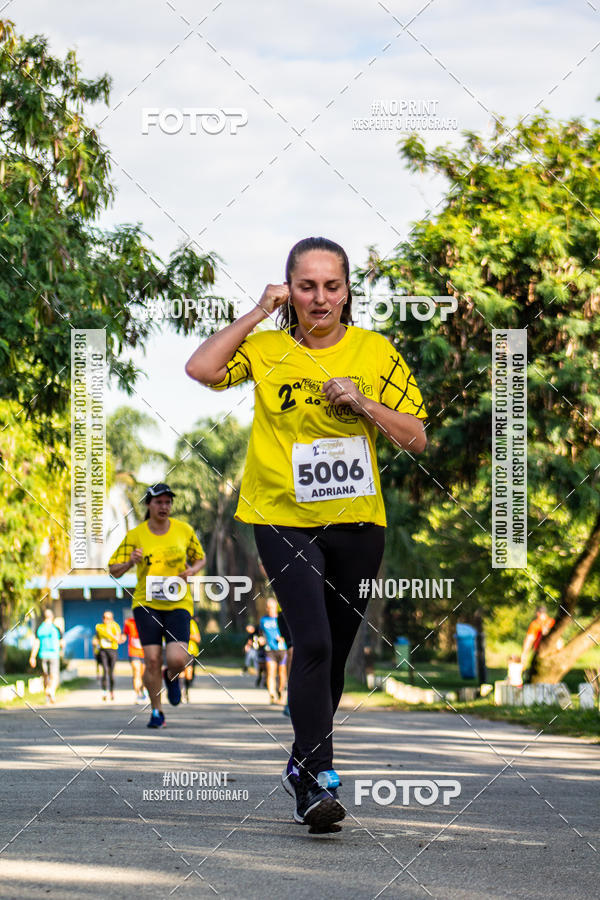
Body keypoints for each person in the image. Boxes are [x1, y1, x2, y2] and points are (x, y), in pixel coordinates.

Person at [185, 236, 427, 831]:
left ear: (348, 292)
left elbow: (416, 437)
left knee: (334, 655)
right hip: (280, 515)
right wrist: (257, 313)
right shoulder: (265, 349)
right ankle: (319, 782)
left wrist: (364, 404)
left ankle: (301, 762)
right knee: (312, 641)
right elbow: (202, 368)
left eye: (332, 286)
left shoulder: (374, 351)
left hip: (357, 521)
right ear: (287, 290)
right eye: (306, 286)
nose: (319, 298)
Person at [108, 483, 205, 728]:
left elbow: (200, 557)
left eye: (168, 502)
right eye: (159, 502)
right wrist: (130, 562)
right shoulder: (136, 535)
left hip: (178, 602)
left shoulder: (184, 531)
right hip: (146, 603)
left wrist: (192, 569)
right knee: (150, 659)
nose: (164, 506)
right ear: (149, 505)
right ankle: (156, 711)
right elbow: (113, 570)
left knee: (177, 658)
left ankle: (170, 676)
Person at [29, 609, 64, 704]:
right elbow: (62, 643)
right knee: (55, 676)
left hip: (42, 655)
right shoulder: (56, 628)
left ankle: (47, 696)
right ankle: (51, 691)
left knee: (45, 676)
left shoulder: (40, 628)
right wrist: (61, 649)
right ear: (52, 617)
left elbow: (36, 643)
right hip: (54, 655)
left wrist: (32, 657)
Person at [259, 597, 288, 704]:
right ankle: (272, 694)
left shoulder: (282, 619)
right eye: (268, 607)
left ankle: (280, 692)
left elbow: (288, 633)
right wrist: (261, 639)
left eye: (272, 607)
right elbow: (260, 633)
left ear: (276, 607)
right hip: (269, 650)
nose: (270, 609)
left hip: (282, 649)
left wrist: (283, 638)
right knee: (270, 672)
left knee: (282, 673)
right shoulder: (263, 620)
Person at [93, 610, 124, 701]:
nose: (106, 620)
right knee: (105, 670)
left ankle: (111, 691)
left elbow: (118, 639)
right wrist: (95, 641)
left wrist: (114, 637)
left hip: (113, 650)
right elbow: (97, 636)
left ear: (112, 619)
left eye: (108, 618)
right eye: (104, 618)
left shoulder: (115, 626)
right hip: (103, 651)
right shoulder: (99, 626)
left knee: (111, 673)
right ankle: (104, 691)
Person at [521, 605, 555, 683]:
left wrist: (524, 653)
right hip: (551, 652)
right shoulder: (552, 622)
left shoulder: (535, 624)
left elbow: (529, 639)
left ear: (538, 613)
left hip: (541, 652)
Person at [123, 612, 147, 702]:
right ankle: (138, 694)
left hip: (145, 652)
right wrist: (121, 638)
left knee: (144, 674)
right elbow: (125, 634)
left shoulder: (148, 621)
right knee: (136, 672)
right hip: (133, 651)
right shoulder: (129, 622)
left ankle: (144, 691)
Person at [181, 616, 201, 703]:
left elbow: (198, 638)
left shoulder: (191, 623)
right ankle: (181, 693)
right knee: (180, 673)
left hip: (190, 651)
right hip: (178, 650)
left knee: (188, 674)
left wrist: (185, 634)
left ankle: (186, 692)